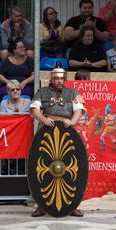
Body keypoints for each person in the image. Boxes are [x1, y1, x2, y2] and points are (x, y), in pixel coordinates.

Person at [29, 67, 86, 217]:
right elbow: (34, 109)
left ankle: (71, 205)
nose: (59, 81)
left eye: (62, 78)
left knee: (69, 167)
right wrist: (43, 119)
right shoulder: (42, 92)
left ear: (65, 79)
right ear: (52, 79)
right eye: (57, 78)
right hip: (46, 131)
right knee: (43, 167)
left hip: (67, 132)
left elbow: (79, 109)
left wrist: (72, 122)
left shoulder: (73, 92)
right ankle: (42, 205)